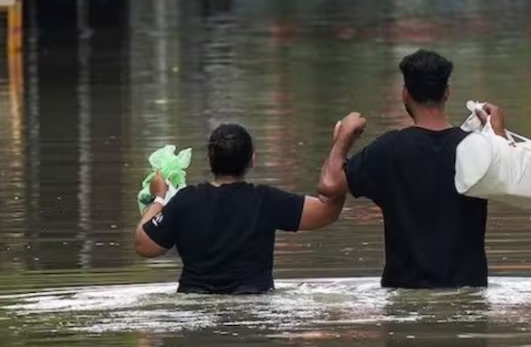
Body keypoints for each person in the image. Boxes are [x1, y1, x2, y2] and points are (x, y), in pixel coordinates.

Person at [319, 50, 508, 289]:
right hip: (469, 291)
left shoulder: (388, 150)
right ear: (447, 93)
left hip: (404, 293)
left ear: (405, 94)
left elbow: (329, 184)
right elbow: (513, 180)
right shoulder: (477, 149)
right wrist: (498, 136)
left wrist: (344, 137)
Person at [135, 115, 367, 294]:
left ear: (210, 160)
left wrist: (159, 198)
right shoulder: (266, 200)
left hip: (194, 306)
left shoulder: (185, 201)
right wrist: (340, 146)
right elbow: (328, 211)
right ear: (252, 160)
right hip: (254, 301)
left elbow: (145, 246)